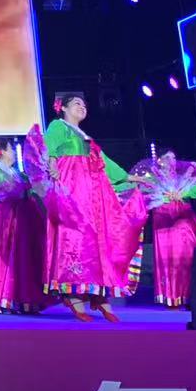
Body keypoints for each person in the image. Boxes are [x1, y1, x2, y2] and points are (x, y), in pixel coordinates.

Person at [28, 93, 148, 322]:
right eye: (76, 103)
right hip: (72, 187)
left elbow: (105, 162)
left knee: (98, 236)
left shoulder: (86, 138)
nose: (82, 107)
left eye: (84, 104)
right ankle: (74, 292)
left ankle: (98, 291)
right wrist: (52, 162)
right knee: (76, 234)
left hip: (93, 190)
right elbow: (48, 147)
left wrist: (129, 177)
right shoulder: (58, 126)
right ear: (63, 108)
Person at [131, 151, 196, 309]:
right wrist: (162, 197)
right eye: (167, 158)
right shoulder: (152, 179)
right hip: (163, 219)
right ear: (160, 161)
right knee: (168, 257)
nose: (171, 161)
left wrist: (183, 194)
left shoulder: (182, 179)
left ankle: (191, 296)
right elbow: (141, 197)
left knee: (187, 256)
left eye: (173, 158)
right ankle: (172, 297)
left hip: (183, 218)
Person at [0, 139, 47, 315]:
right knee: (2, 257)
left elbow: (34, 190)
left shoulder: (19, 174)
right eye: (11, 149)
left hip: (21, 221)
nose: (13, 152)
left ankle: (22, 300)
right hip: (3, 221)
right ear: (3, 152)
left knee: (22, 258)